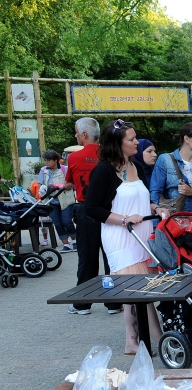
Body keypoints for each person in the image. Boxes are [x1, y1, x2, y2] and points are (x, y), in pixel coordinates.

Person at [84, 119, 169, 354]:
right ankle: (149, 340)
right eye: (131, 139)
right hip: (120, 236)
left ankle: (141, 340)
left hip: (142, 236)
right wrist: (123, 219)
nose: (136, 142)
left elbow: (143, 199)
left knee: (144, 290)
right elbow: (91, 208)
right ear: (117, 143)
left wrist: (156, 208)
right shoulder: (104, 170)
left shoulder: (136, 166)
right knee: (136, 291)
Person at [67, 117, 122, 316]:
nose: (76, 136)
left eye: (76, 132)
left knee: (87, 258)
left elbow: (70, 182)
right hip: (110, 211)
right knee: (110, 258)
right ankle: (113, 302)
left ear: (84, 134)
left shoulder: (73, 158)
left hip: (86, 210)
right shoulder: (110, 156)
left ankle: (83, 304)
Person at [150, 122, 192, 213]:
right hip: (176, 217)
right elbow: (155, 193)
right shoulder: (165, 160)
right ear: (186, 139)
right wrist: (156, 217)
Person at [37, 150, 77, 251]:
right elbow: (40, 185)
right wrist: (43, 189)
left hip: (65, 199)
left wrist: (57, 186)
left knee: (67, 221)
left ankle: (75, 241)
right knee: (57, 222)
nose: (46, 162)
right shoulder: (43, 171)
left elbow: (71, 184)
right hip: (51, 200)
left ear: (55, 160)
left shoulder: (64, 169)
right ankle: (66, 244)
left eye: (49, 160)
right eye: (45, 160)